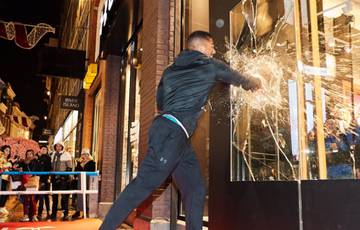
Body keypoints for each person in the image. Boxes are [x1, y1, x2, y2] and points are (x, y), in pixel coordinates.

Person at [100, 31, 261, 230]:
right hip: (172, 135)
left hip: (174, 134)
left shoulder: (169, 70)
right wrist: (260, 81)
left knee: (195, 190)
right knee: (141, 186)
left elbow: (160, 103)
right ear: (203, 47)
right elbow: (243, 81)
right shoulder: (210, 65)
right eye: (211, 46)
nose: (213, 50)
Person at [50, 142, 73, 221]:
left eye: (60, 146)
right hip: (54, 178)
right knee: (55, 197)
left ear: (62, 147)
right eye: (57, 146)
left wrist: (63, 177)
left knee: (64, 197)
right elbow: (51, 166)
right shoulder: (53, 155)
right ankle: (53, 214)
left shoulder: (67, 154)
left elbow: (70, 167)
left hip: (64, 179)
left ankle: (65, 213)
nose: (58, 147)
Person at [71, 148, 96, 219]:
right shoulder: (79, 162)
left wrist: (82, 166)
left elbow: (90, 171)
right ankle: (78, 211)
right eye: (82, 154)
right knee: (79, 196)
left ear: (88, 155)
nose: (84, 156)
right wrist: (78, 164)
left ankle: (86, 211)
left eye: (85, 154)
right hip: (80, 181)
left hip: (88, 181)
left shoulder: (92, 162)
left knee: (86, 196)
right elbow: (76, 172)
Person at [19, 149, 40, 222]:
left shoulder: (35, 161)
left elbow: (37, 170)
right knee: (26, 199)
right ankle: (26, 215)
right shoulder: (23, 162)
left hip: (33, 181)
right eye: (28, 154)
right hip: (25, 181)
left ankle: (34, 215)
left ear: (33, 155)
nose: (29, 155)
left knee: (33, 199)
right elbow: (20, 169)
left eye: (31, 154)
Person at [36, 145, 52, 221]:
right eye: (43, 149)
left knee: (45, 196)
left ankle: (47, 212)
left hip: (45, 179)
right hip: (39, 179)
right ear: (40, 150)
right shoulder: (38, 158)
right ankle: (39, 213)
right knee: (41, 197)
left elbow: (49, 168)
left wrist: (48, 178)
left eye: (45, 149)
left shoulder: (49, 158)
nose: (44, 150)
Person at [0, 145, 12, 217]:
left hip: (7, 178)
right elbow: (1, 166)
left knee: (6, 193)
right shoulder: (1, 156)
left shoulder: (6, 158)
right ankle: (1, 207)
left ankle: (2, 206)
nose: (8, 152)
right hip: (2, 178)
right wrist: (9, 164)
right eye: (6, 150)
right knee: (3, 192)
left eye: (9, 151)